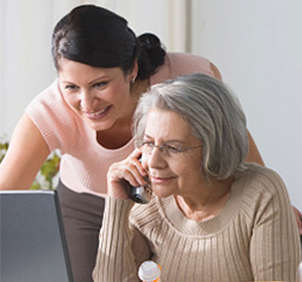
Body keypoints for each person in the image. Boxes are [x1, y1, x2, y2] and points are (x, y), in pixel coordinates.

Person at [0, 4, 300, 281]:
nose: (86, 102)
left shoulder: (187, 76)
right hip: (85, 203)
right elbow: (5, 198)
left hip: (161, 194)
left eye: (100, 84)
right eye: (71, 87)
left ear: (131, 69)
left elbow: (234, 148)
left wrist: (274, 206)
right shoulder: (48, 111)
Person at [93, 73, 301, 282]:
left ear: (215, 149)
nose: (154, 162)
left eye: (173, 148)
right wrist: (117, 204)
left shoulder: (261, 193)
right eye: (148, 143)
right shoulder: (148, 204)